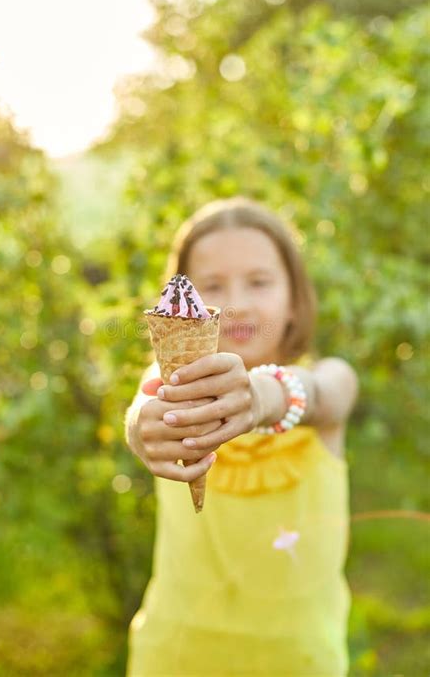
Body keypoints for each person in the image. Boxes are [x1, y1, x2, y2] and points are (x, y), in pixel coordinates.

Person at [124, 197, 359, 676]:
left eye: (260, 281)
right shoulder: (174, 387)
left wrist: (264, 397)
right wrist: (140, 429)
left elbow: (327, 393)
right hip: (174, 654)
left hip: (299, 661)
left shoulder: (329, 380)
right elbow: (142, 411)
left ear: (294, 299)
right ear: (182, 303)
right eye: (212, 285)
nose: (236, 303)